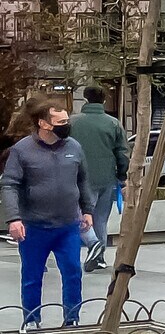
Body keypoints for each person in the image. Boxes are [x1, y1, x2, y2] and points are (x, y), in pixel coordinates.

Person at [1, 98, 94, 330]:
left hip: (67, 225)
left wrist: (88, 210)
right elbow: (9, 184)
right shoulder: (22, 150)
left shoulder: (74, 147)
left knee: (73, 272)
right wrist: (14, 218)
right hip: (34, 226)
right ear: (43, 123)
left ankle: (72, 317)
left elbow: (82, 180)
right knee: (32, 277)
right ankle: (32, 320)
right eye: (60, 121)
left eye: (67, 120)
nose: (66, 125)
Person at [68, 85, 127, 272]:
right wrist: (121, 174)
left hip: (77, 178)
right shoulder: (113, 123)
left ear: (85, 99)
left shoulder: (72, 122)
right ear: (103, 101)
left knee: (80, 216)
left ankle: (85, 249)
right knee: (100, 219)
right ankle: (99, 256)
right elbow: (123, 152)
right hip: (106, 177)